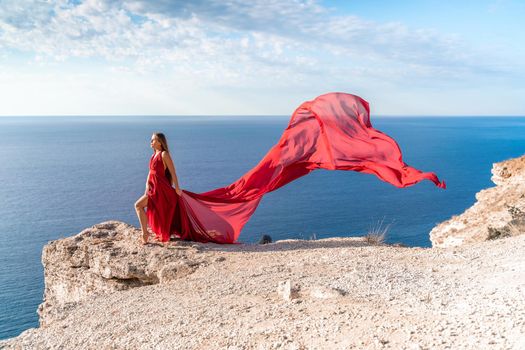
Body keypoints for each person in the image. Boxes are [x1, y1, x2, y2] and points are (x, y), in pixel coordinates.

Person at [134, 132, 182, 245]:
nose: (151, 142)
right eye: (151, 140)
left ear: (160, 143)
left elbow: (173, 172)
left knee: (138, 205)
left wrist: (177, 188)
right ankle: (146, 233)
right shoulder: (153, 155)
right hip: (153, 189)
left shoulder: (164, 154)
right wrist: (146, 185)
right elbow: (150, 172)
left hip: (162, 190)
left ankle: (144, 233)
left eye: (153, 140)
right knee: (139, 206)